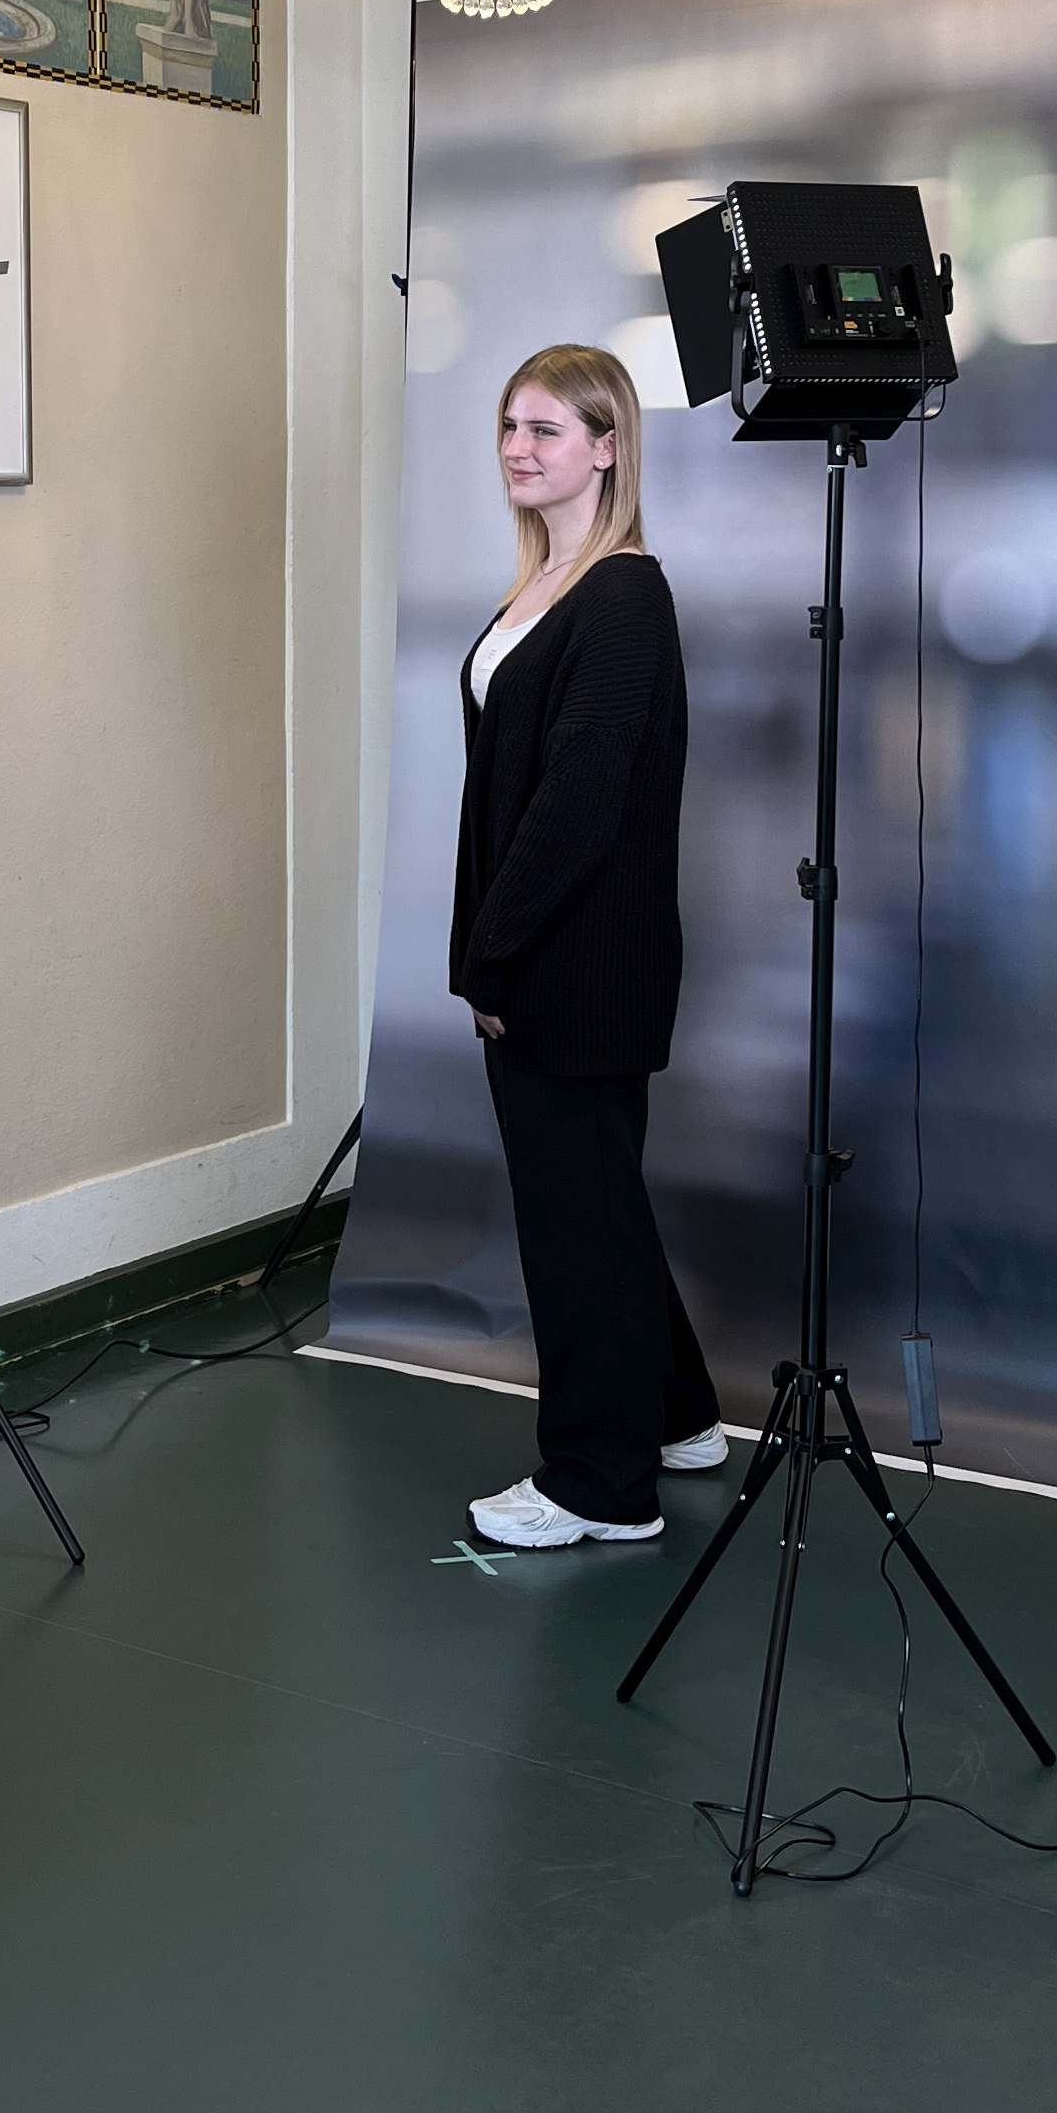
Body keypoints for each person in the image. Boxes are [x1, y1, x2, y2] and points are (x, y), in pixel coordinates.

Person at [451, 344, 723, 1548]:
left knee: (574, 1225)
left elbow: (579, 803)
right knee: (599, 1198)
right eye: (510, 427)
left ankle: (598, 1484)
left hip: (578, 961)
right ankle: (677, 1415)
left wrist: (494, 956)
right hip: (552, 950)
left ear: (608, 448)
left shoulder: (620, 596)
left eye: (547, 430)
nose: (518, 449)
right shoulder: (551, 584)